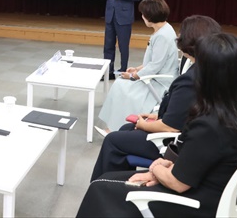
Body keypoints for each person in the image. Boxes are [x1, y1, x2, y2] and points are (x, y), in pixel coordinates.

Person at [77, 33, 237, 217]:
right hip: (213, 193)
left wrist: (156, 168)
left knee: (100, 188)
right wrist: (165, 167)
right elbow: (199, 161)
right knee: (107, 182)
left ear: (211, 76)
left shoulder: (210, 126)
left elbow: (177, 183)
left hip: (194, 204)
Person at [90, 15, 222, 181]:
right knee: (124, 130)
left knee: (113, 140)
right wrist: (155, 117)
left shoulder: (190, 79)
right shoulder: (210, 69)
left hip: (173, 143)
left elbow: (170, 127)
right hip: (189, 136)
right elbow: (183, 112)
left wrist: (143, 124)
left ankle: (102, 184)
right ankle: (119, 182)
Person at [96, 0, 179, 133]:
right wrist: (137, 69)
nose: (142, 17)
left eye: (143, 14)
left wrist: (134, 76)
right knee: (120, 84)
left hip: (160, 81)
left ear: (150, 16)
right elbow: (153, 61)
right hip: (155, 75)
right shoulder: (164, 30)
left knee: (122, 87)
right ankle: (113, 127)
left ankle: (115, 129)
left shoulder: (162, 36)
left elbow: (155, 65)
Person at [79, 0, 142, 79]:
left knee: (123, 47)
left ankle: (124, 70)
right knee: (108, 46)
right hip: (110, 16)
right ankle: (109, 72)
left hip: (124, 18)